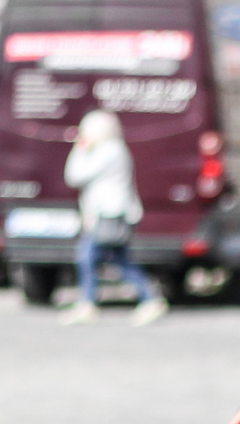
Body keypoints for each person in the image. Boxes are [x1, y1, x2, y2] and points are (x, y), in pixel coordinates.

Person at [62, 109, 166, 325]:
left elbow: (75, 176)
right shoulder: (111, 149)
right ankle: (149, 299)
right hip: (109, 214)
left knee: (87, 256)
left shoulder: (109, 151)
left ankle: (87, 303)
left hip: (111, 214)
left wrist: (79, 150)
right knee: (119, 260)